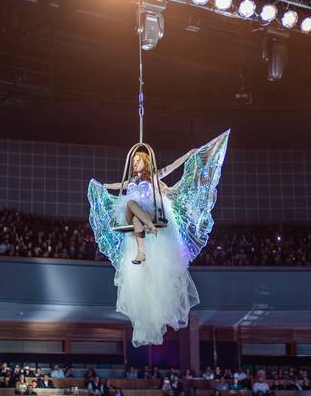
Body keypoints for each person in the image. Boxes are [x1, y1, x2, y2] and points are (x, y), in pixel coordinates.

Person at [88, 131, 229, 347]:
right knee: (130, 205)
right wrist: (103, 187)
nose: (135, 164)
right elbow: (118, 185)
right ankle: (149, 227)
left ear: (144, 163)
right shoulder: (130, 181)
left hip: (146, 216)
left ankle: (141, 251)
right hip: (135, 215)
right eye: (133, 161)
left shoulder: (153, 178)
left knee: (137, 218)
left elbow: (171, 167)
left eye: (137, 161)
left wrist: (188, 155)